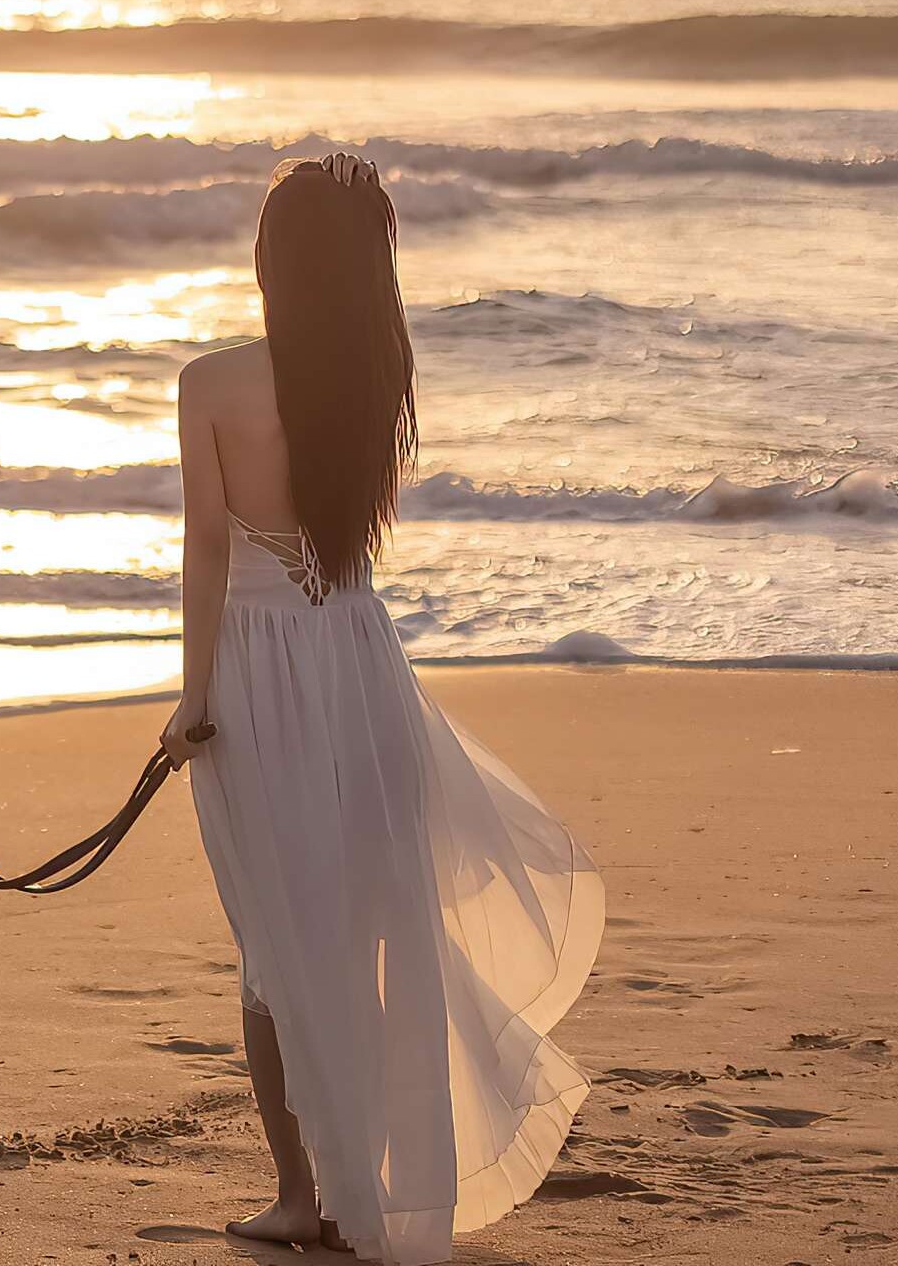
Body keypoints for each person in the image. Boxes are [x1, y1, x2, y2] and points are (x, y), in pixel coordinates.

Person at [159, 154, 603, 1261]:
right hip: (361, 666)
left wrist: (192, 697)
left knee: (273, 943)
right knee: (362, 932)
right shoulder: (376, 379)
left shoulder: (211, 383)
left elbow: (210, 548)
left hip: (261, 679)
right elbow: (338, 555)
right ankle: (385, 1182)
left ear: (272, 264)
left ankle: (302, 1193)